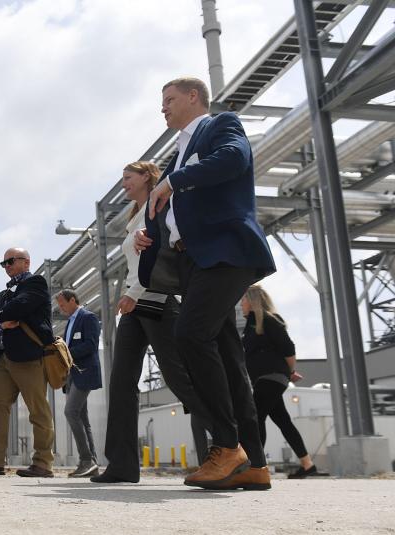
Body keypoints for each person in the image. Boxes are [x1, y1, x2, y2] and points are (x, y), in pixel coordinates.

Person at [137, 77, 275, 490]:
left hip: (224, 251)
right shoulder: (178, 152)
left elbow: (233, 159)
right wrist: (154, 235)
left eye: (169, 100)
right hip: (195, 259)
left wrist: (173, 181)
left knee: (191, 335)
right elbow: (182, 209)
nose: (163, 108)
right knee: (229, 359)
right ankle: (255, 463)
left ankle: (227, 446)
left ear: (193, 97)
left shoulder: (220, 125)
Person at [92, 161, 211, 484]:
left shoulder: (158, 207)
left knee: (179, 378)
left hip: (154, 300)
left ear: (146, 177)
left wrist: (132, 292)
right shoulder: (137, 213)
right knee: (121, 383)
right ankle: (122, 464)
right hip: (135, 305)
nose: (124, 185)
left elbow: (160, 255)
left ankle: (229, 445)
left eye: (128, 178)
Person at [0, 248, 55, 478]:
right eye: (3, 263)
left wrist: (0, 316)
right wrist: (1, 323)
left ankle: (43, 463)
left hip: (28, 356)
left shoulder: (36, 283)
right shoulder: (4, 293)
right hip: (2, 357)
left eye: (10, 261)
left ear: (26, 262)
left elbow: (20, 307)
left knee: (38, 410)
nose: (6, 266)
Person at [241, 284, 319, 479]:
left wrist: (291, 371)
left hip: (272, 378)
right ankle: (307, 464)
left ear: (252, 301)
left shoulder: (269, 320)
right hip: (266, 379)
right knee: (283, 421)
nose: (241, 304)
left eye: (243, 300)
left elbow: (288, 349)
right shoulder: (252, 325)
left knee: (255, 417)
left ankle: (256, 465)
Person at [55, 290, 101, 478]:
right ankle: (92, 463)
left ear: (72, 300)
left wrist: (67, 353)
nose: (61, 308)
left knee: (70, 411)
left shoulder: (88, 318)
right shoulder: (70, 322)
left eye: (62, 304)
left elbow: (91, 344)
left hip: (85, 373)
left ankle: (86, 460)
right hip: (73, 375)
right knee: (83, 418)